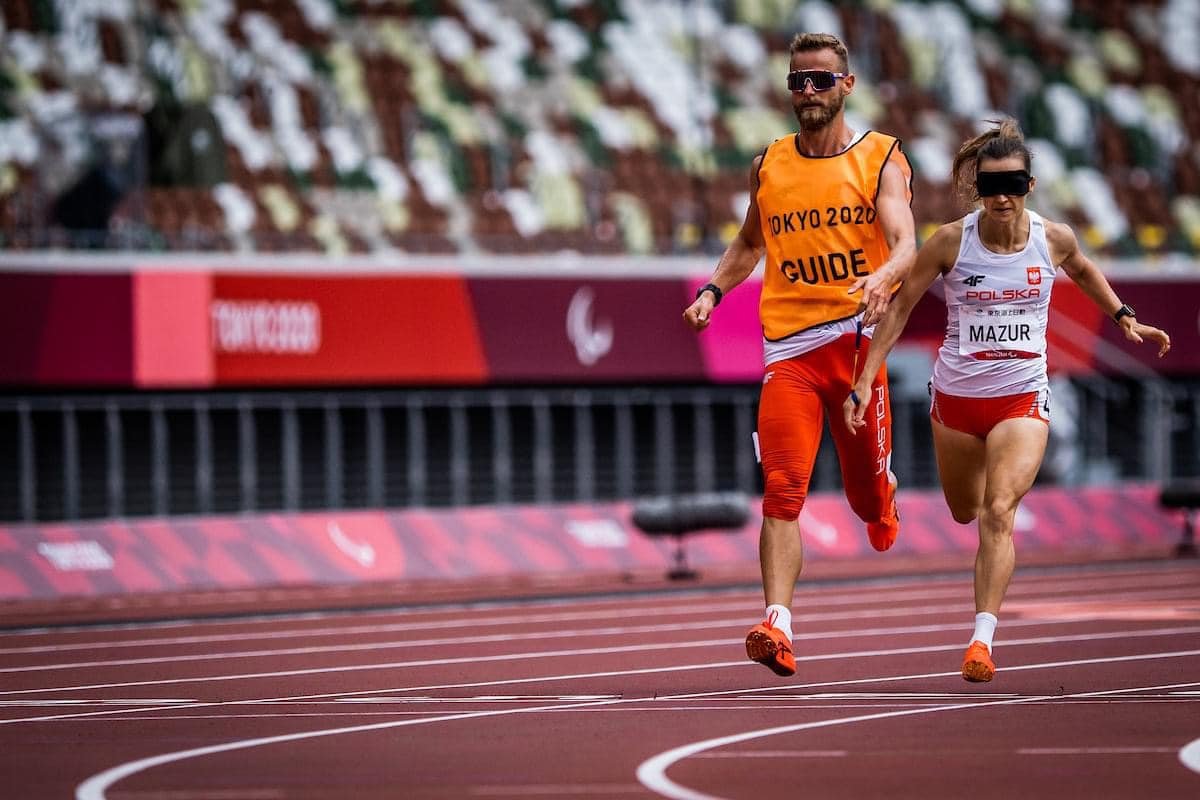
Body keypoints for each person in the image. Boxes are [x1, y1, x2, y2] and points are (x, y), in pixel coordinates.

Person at [843, 118, 1171, 683]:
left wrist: (1125, 319)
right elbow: (899, 307)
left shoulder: (1054, 237)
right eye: (991, 185)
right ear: (978, 187)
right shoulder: (951, 240)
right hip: (956, 400)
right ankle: (896, 492)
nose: (1002, 197)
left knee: (998, 513)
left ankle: (982, 639)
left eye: (1013, 185)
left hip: (1021, 398)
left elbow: (1085, 269)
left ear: (1030, 186)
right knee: (964, 509)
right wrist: (866, 376)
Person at [683, 32, 917, 678]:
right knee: (782, 490)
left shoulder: (880, 158)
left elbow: (906, 242)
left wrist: (883, 277)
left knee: (865, 501)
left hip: (855, 347)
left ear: (847, 85)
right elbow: (747, 243)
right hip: (788, 350)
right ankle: (777, 624)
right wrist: (712, 290)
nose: (807, 93)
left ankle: (884, 495)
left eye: (820, 80)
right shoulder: (769, 165)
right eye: (797, 82)